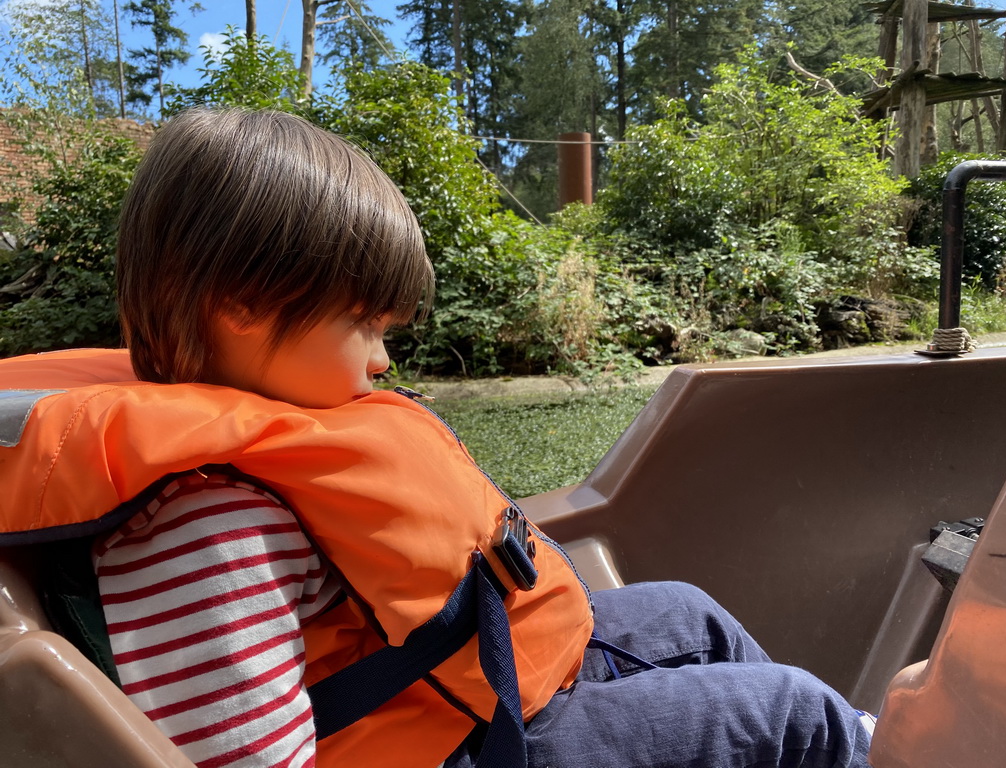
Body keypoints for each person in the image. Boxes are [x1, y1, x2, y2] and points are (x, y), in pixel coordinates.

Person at [0, 107, 873, 768]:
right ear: (243, 305)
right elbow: (245, 754)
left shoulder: (250, 446)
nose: (382, 359)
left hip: (463, 686)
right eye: (365, 323)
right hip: (450, 746)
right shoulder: (199, 524)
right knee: (790, 713)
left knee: (685, 610)